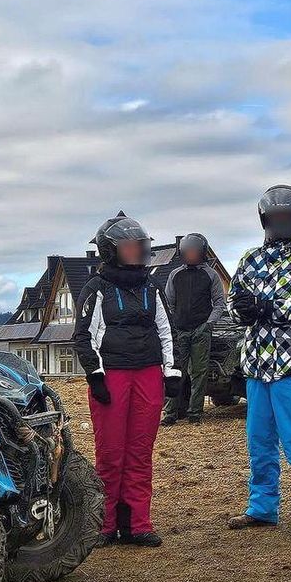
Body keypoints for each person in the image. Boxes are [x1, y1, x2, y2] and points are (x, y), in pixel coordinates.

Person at [226, 185, 291, 538]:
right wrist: (242, 309)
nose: (280, 223)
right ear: (265, 220)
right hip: (256, 367)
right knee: (259, 440)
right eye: (275, 218)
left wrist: (267, 307)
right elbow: (234, 302)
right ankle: (262, 507)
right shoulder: (249, 259)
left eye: (286, 217)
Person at [73, 211, 182, 548]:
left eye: (140, 246)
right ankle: (105, 525)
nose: (137, 252)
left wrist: (172, 371)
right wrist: (96, 376)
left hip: (148, 375)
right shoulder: (96, 289)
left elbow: (167, 332)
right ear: (111, 250)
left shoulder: (152, 288)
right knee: (110, 454)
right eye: (130, 247)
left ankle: (138, 524)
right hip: (113, 378)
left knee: (140, 451)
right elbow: (83, 336)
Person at [162, 233, 225, 426]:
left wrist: (208, 324)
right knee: (175, 372)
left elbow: (219, 303)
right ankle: (171, 413)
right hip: (179, 331)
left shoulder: (211, 275)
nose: (190, 254)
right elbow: (167, 302)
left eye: (194, 251)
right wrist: (172, 325)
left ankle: (195, 413)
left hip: (201, 330)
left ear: (202, 252)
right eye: (187, 251)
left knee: (199, 373)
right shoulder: (175, 274)